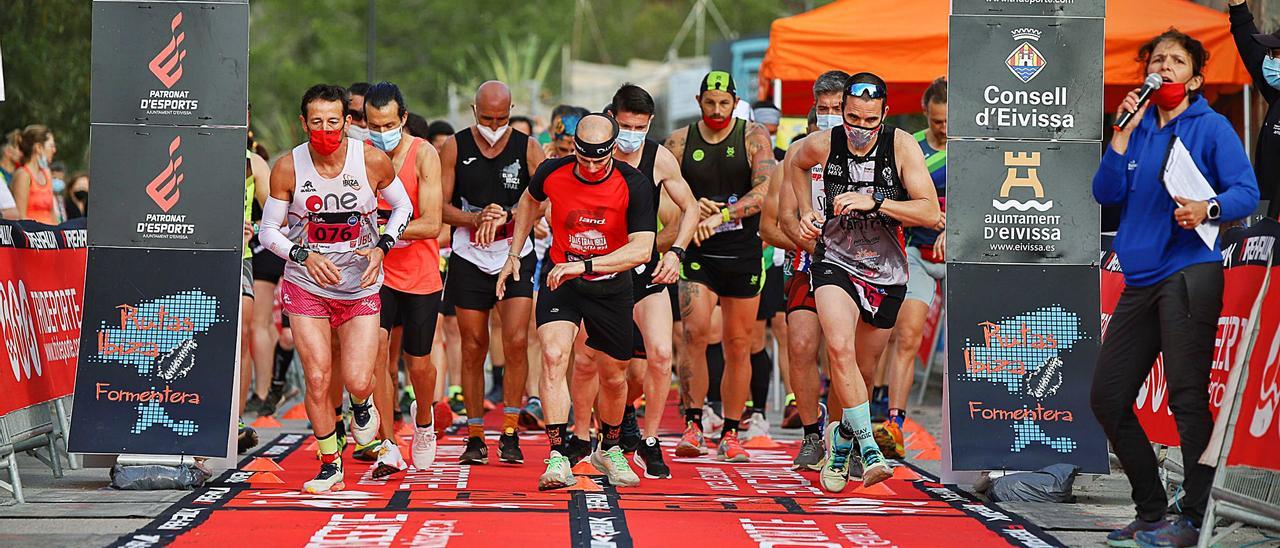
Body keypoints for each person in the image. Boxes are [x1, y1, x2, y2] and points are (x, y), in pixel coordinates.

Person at [1090, 30, 1260, 548]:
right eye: (1156, 59)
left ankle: (1193, 516)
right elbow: (1105, 192)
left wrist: (1206, 209)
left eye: (1175, 60)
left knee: (1187, 399)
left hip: (1189, 274)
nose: (1163, 66)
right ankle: (1150, 512)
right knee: (1107, 397)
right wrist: (1120, 135)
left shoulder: (1210, 127)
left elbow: (1246, 193)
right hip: (1139, 282)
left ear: (1195, 77)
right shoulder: (1135, 126)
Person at [256, 83, 415, 494]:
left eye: (332, 121)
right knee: (318, 376)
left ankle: (361, 406)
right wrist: (303, 255)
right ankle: (330, 464)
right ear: (303, 123)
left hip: (359, 285)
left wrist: (382, 246)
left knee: (360, 379)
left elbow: (403, 207)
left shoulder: (372, 161)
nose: (324, 129)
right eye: (316, 122)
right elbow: (269, 230)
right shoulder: (288, 168)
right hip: (308, 285)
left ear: (347, 121)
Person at [789, 72, 941, 493]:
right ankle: (869, 446)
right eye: (852, 118)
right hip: (834, 260)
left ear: (885, 115)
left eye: (869, 121)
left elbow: (930, 213)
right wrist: (805, 210)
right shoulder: (825, 142)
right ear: (841, 113)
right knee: (837, 348)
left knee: (862, 368)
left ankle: (839, 442)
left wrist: (875, 201)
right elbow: (794, 163)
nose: (858, 129)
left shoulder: (902, 145)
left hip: (886, 270)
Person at [498, 113, 657, 490]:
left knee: (615, 375)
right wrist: (513, 254)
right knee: (553, 355)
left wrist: (585, 264)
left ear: (613, 151)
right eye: (582, 156)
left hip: (611, 283)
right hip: (561, 278)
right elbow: (528, 201)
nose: (588, 166)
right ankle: (556, 454)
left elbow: (642, 249)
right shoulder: (553, 171)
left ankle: (611, 448)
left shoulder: (633, 183)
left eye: (597, 159)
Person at [665, 71, 777, 463]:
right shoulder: (679, 141)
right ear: (699, 101)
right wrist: (693, 210)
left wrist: (725, 213)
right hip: (698, 253)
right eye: (709, 103)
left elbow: (766, 189)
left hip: (742, 252)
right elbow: (663, 189)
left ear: (735, 102)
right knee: (693, 334)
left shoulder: (753, 136)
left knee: (738, 342)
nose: (716, 111)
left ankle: (730, 430)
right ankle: (694, 424)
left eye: (724, 103)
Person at [439, 80, 546, 465]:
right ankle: (474, 434)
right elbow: (440, 206)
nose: (495, 125)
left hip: (515, 253)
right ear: (474, 112)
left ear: (511, 111)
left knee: (517, 340)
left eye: (501, 118)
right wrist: (475, 217)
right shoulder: (456, 146)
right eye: (487, 118)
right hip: (470, 255)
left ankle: (511, 432)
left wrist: (511, 215)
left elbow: (545, 200)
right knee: (472, 346)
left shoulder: (528, 147)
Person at [601, 84, 698, 477]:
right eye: (625, 125)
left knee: (660, 355)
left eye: (640, 127)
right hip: (599, 270)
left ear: (650, 124)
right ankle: (603, 437)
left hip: (646, 269)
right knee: (608, 366)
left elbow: (690, 207)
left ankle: (651, 441)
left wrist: (676, 252)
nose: (631, 135)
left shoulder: (659, 158)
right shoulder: (592, 154)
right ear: (611, 118)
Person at [352, 81, 446, 478]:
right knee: (377, 359)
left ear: (403, 119)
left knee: (419, 364)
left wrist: (384, 232)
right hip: (377, 274)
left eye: (388, 123)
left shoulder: (424, 155)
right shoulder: (360, 155)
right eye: (374, 124)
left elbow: (431, 222)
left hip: (420, 274)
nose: (381, 131)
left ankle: (423, 420)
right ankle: (389, 445)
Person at [873, 76, 949, 460]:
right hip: (915, 254)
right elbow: (888, 206)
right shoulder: (909, 148)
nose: (945, 129)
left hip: (961, 256)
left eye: (951, 121)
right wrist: (924, 217)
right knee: (906, 336)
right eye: (938, 122)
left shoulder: (974, 150)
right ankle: (895, 422)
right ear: (926, 114)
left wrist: (955, 229)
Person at [777, 69, 848, 470]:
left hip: (859, 265)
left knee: (843, 354)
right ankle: (810, 436)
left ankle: (840, 435)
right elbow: (785, 217)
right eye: (824, 110)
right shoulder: (800, 150)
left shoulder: (871, 149)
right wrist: (811, 241)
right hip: (808, 261)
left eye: (837, 108)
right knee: (802, 346)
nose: (831, 116)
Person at [237, 119, 271, 453]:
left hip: (240, 258)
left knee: (241, 337)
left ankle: (236, 418)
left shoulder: (254, 162)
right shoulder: (189, 150)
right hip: (196, 254)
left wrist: (256, 227)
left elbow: (282, 214)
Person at [1228, 0, 1279, 217]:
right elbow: (1251, 51)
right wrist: (1238, 6)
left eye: (1277, 54)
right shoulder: (1277, 96)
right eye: (1270, 54)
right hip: (1267, 219)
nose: (1271, 61)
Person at [11, 125, 59, 224]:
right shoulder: (23, 175)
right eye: (51, 146)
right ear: (38, 148)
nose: (54, 150)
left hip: (50, 235)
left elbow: (52, 213)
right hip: (32, 236)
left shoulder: (47, 173)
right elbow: (21, 217)